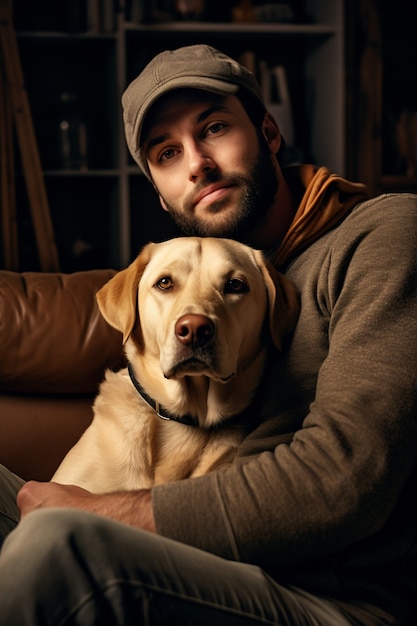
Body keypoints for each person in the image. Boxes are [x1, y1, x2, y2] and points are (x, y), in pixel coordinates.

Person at [0, 44, 416, 625]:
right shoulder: (230, 268)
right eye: (167, 153)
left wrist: (103, 514)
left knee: (54, 544)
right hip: (209, 559)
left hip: (328, 596)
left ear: (269, 131)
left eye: (214, 127)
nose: (197, 164)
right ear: (158, 189)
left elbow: (346, 477)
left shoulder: (384, 236)